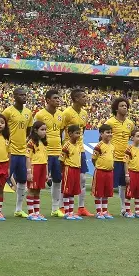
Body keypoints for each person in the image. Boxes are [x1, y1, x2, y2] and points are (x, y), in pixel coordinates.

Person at [33, 89, 64, 217]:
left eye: (58, 98)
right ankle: (34, 210)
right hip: (44, 153)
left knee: (58, 180)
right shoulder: (40, 115)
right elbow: (35, 132)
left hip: (58, 152)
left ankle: (55, 209)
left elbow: (61, 132)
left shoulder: (61, 115)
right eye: (55, 98)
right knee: (39, 182)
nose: (58, 100)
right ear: (47, 100)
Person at [59, 89, 90, 217]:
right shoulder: (66, 113)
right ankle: (62, 207)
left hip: (80, 150)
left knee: (82, 178)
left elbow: (82, 130)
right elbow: (60, 130)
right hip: (69, 150)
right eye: (83, 97)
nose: (86, 99)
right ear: (76, 99)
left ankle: (81, 207)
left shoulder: (84, 113)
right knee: (66, 178)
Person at [3, 88, 32, 218]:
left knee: (22, 180)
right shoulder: (8, 111)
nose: (24, 97)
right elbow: (1, 127)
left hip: (22, 151)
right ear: (14, 96)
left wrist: (24, 141)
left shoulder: (28, 112)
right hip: (10, 151)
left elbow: (29, 130)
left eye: (25, 95)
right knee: (3, 177)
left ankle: (18, 209)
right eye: (21, 95)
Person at [104, 97, 134, 218]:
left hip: (125, 160)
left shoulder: (130, 124)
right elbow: (103, 138)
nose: (124, 108)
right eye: (122, 106)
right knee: (109, 184)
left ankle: (124, 209)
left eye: (126, 106)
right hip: (113, 158)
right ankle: (104, 209)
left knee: (124, 185)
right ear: (116, 108)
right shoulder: (110, 122)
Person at [25, 120, 49, 221]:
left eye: (45, 130)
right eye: (42, 130)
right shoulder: (31, 142)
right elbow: (28, 158)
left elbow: (46, 159)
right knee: (31, 190)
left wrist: (46, 173)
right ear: (35, 130)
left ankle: (37, 213)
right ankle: (31, 213)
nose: (44, 132)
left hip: (42, 167)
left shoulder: (43, 143)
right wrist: (29, 172)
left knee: (38, 190)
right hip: (34, 167)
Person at [91, 124, 115, 219]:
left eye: (111, 132)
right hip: (100, 172)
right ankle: (98, 212)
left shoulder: (112, 146)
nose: (110, 134)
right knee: (99, 192)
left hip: (109, 172)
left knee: (106, 192)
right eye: (107, 132)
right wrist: (99, 166)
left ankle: (104, 211)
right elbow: (93, 159)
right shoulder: (99, 146)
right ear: (101, 134)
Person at [60, 125, 84, 220]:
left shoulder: (78, 145)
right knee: (67, 192)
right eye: (77, 133)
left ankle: (71, 212)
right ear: (70, 134)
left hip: (76, 169)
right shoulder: (66, 145)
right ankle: (67, 212)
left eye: (79, 133)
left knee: (73, 192)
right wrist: (63, 171)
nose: (79, 135)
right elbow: (61, 160)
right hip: (69, 169)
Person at [124, 129, 139, 218]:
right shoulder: (129, 149)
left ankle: (137, 211)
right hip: (132, 173)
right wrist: (127, 174)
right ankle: (127, 211)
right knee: (129, 193)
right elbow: (126, 162)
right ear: (132, 138)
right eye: (138, 136)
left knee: (138, 194)